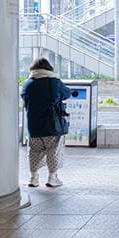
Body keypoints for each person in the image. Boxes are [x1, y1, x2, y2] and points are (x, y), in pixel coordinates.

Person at [20, 57, 73, 188]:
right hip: (52, 124)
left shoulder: (27, 83)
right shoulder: (54, 82)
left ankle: (33, 178)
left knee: (34, 151)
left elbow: (24, 98)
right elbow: (67, 94)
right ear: (49, 69)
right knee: (54, 150)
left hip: (34, 125)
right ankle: (52, 178)